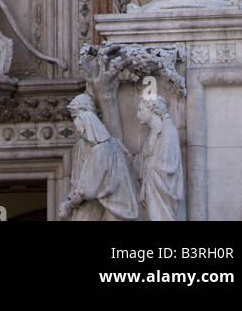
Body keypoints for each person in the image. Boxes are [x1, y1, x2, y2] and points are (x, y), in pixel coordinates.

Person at [59, 93, 141, 221]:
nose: (78, 130)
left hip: (117, 210)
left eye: (76, 119)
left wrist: (68, 206)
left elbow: (84, 190)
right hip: (122, 208)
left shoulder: (99, 151)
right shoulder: (113, 145)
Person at [136, 95, 185, 221]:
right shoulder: (154, 132)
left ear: (152, 108)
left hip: (161, 192)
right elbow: (144, 161)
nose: (138, 114)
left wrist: (148, 176)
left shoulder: (168, 130)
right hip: (151, 189)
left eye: (141, 110)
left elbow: (168, 166)